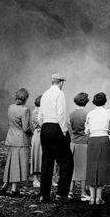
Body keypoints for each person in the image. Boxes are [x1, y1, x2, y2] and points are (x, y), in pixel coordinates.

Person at [38, 73, 73, 203]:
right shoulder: (60, 94)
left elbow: (39, 116)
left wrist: (44, 128)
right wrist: (64, 132)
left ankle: (44, 195)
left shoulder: (45, 94)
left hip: (45, 128)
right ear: (61, 82)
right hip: (56, 127)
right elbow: (61, 114)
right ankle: (61, 194)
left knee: (47, 162)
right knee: (66, 162)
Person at [0, 88, 31, 197]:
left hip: (11, 138)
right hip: (21, 140)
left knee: (11, 162)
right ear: (25, 98)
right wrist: (32, 132)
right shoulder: (25, 110)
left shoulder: (10, 107)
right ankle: (14, 189)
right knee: (18, 164)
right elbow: (26, 128)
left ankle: (5, 184)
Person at [85, 92, 110, 205]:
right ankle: (99, 197)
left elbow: (86, 130)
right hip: (103, 140)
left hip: (92, 140)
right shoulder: (108, 113)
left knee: (92, 166)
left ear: (94, 102)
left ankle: (92, 198)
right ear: (105, 101)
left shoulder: (90, 114)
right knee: (102, 166)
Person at [69, 92, 90, 202]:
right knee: (83, 169)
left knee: (72, 168)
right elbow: (89, 131)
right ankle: (83, 193)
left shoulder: (71, 114)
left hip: (72, 143)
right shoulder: (87, 114)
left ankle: (70, 192)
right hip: (83, 143)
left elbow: (69, 130)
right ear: (86, 102)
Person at [30, 95, 42, 188]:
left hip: (43, 135)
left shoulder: (41, 112)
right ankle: (35, 179)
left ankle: (43, 178)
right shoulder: (35, 112)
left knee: (44, 157)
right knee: (36, 157)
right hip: (38, 136)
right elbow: (42, 124)